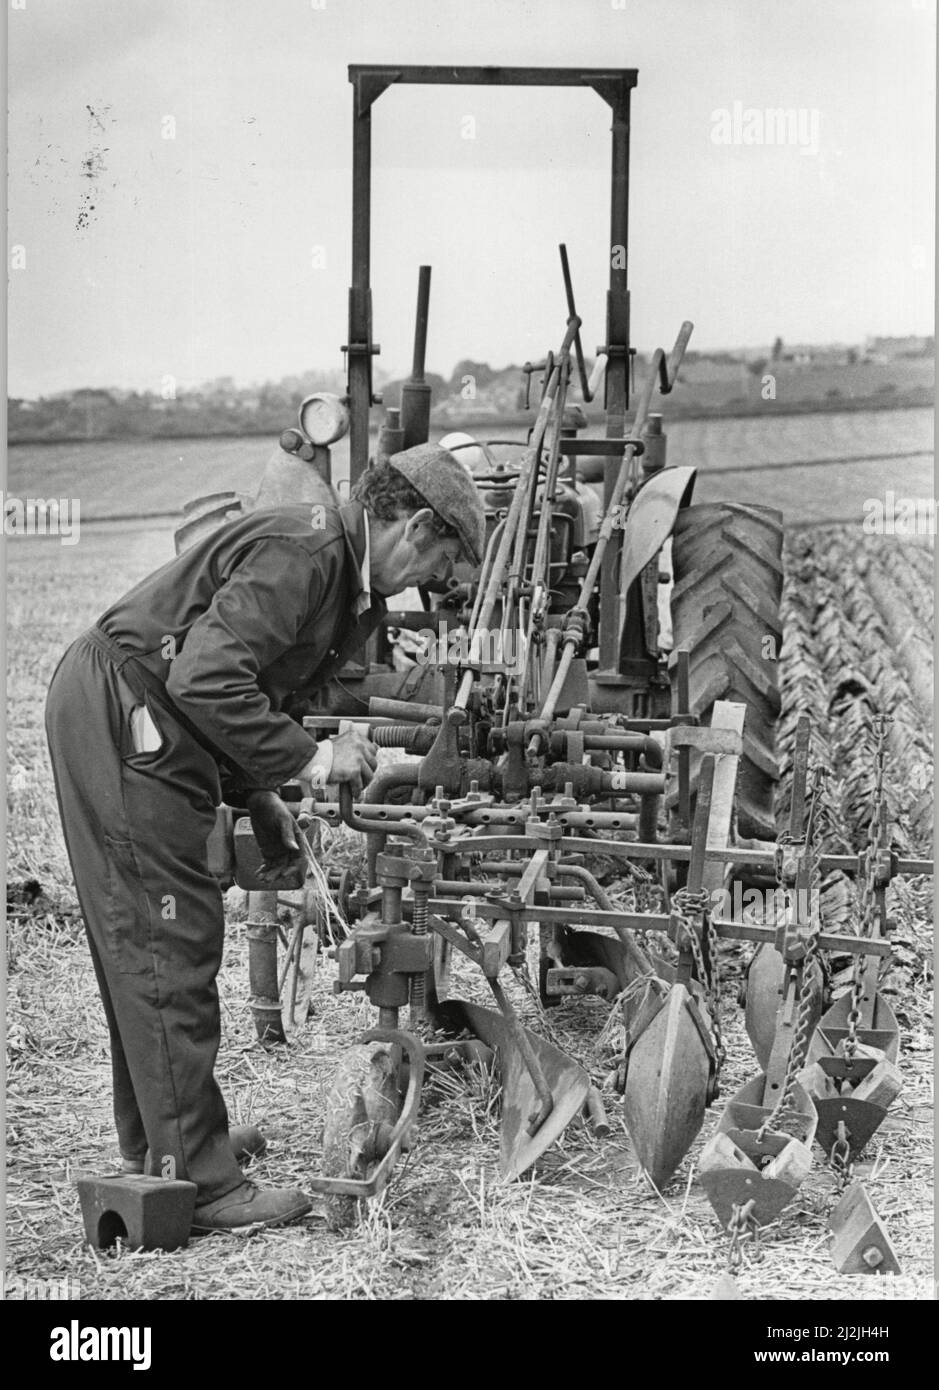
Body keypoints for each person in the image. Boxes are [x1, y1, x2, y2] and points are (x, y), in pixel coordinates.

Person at [45, 443, 485, 1233]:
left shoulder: (341, 580)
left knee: (146, 940)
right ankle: (206, 1185)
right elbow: (205, 679)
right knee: (165, 941)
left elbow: (244, 685)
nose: (429, 580)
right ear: (415, 524)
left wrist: (258, 793)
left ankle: (169, 1153)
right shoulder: (308, 551)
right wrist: (312, 758)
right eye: (439, 559)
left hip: (148, 717)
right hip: (126, 714)